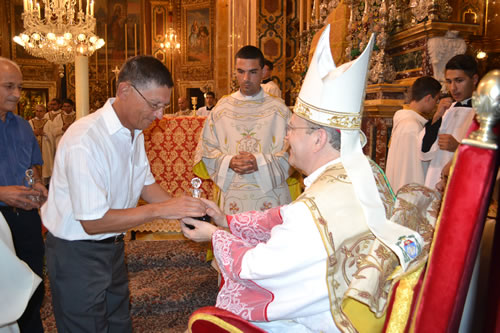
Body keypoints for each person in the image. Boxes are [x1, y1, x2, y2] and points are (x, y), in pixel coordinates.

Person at [183, 26, 425, 332]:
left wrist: (213, 235)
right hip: (349, 300)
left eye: (293, 129)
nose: (285, 137)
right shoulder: (367, 174)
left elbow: (259, 268)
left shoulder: (310, 212)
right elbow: (285, 217)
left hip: (327, 320)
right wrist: (225, 221)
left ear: (318, 138)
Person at [41, 55, 208, 333]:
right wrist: (159, 211)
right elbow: (93, 222)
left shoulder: (133, 131)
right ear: (125, 91)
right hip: (78, 253)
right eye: (154, 105)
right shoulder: (86, 139)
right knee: (86, 327)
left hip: (113, 248)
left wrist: (185, 209)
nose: (159, 115)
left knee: (118, 323)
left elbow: (144, 183)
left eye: (163, 106)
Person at [194, 46, 292, 214]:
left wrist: (260, 163)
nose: (246, 78)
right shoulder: (221, 109)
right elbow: (206, 150)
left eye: (253, 72)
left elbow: (294, 151)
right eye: (241, 71)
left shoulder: (279, 110)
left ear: (263, 72)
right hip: (233, 193)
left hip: (270, 195)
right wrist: (229, 162)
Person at [0, 57, 47, 333]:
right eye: (8, 86)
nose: (16, 94)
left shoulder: (22, 125)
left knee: (32, 287)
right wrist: (2, 193)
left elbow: (33, 165)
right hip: (0, 222)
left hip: (26, 219)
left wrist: (37, 183)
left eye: (19, 87)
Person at [420, 54, 478, 189]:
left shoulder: (483, 112)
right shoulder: (447, 109)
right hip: (435, 177)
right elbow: (424, 150)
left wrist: (458, 148)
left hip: (463, 182)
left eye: (459, 80)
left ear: (474, 79)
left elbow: (489, 157)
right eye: (449, 81)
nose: (453, 88)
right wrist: (437, 116)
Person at [386, 76, 442, 192]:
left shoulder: (404, 121)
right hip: (408, 193)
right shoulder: (413, 127)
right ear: (428, 98)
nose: (436, 105)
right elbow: (415, 170)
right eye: (436, 100)